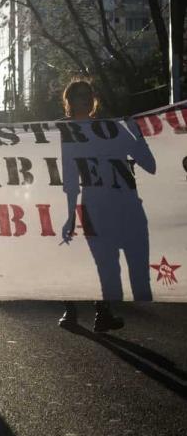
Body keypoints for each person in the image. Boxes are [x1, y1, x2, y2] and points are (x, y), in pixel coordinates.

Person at [59, 78, 155, 332]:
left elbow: (149, 165)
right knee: (99, 263)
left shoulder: (112, 129)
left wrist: (136, 133)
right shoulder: (66, 133)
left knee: (135, 272)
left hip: (127, 207)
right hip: (94, 207)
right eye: (79, 94)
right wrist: (70, 216)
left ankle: (103, 312)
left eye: (89, 93)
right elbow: (70, 178)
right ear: (68, 101)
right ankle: (75, 309)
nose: (86, 98)